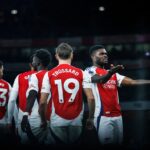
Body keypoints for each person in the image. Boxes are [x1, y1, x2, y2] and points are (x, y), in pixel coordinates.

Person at [85, 45, 150, 146]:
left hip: (118, 116)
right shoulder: (89, 71)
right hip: (103, 116)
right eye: (101, 54)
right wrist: (111, 72)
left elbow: (133, 82)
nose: (105, 55)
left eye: (106, 54)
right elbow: (100, 80)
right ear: (93, 57)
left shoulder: (113, 73)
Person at [39, 43, 95, 145]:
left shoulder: (49, 74)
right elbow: (91, 98)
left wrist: (43, 120)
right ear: (72, 55)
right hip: (76, 121)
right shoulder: (82, 73)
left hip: (57, 121)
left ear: (56, 56)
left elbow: (42, 102)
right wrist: (91, 118)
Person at [21, 49, 52, 144]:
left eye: (34, 58)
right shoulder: (53, 75)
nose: (32, 61)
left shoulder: (35, 76)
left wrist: (25, 114)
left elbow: (32, 95)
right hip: (53, 118)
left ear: (38, 62)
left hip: (37, 118)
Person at [7, 56, 37, 144]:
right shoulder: (46, 75)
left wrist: (11, 121)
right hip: (42, 119)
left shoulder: (20, 77)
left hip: (23, 118)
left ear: (30, 64)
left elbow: (12, 100)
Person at [0, 61, 12, 144]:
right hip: (3, 121)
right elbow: (11, 104)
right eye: (2, 69)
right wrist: (9, 121)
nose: (2, 72)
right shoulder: (7, 85)